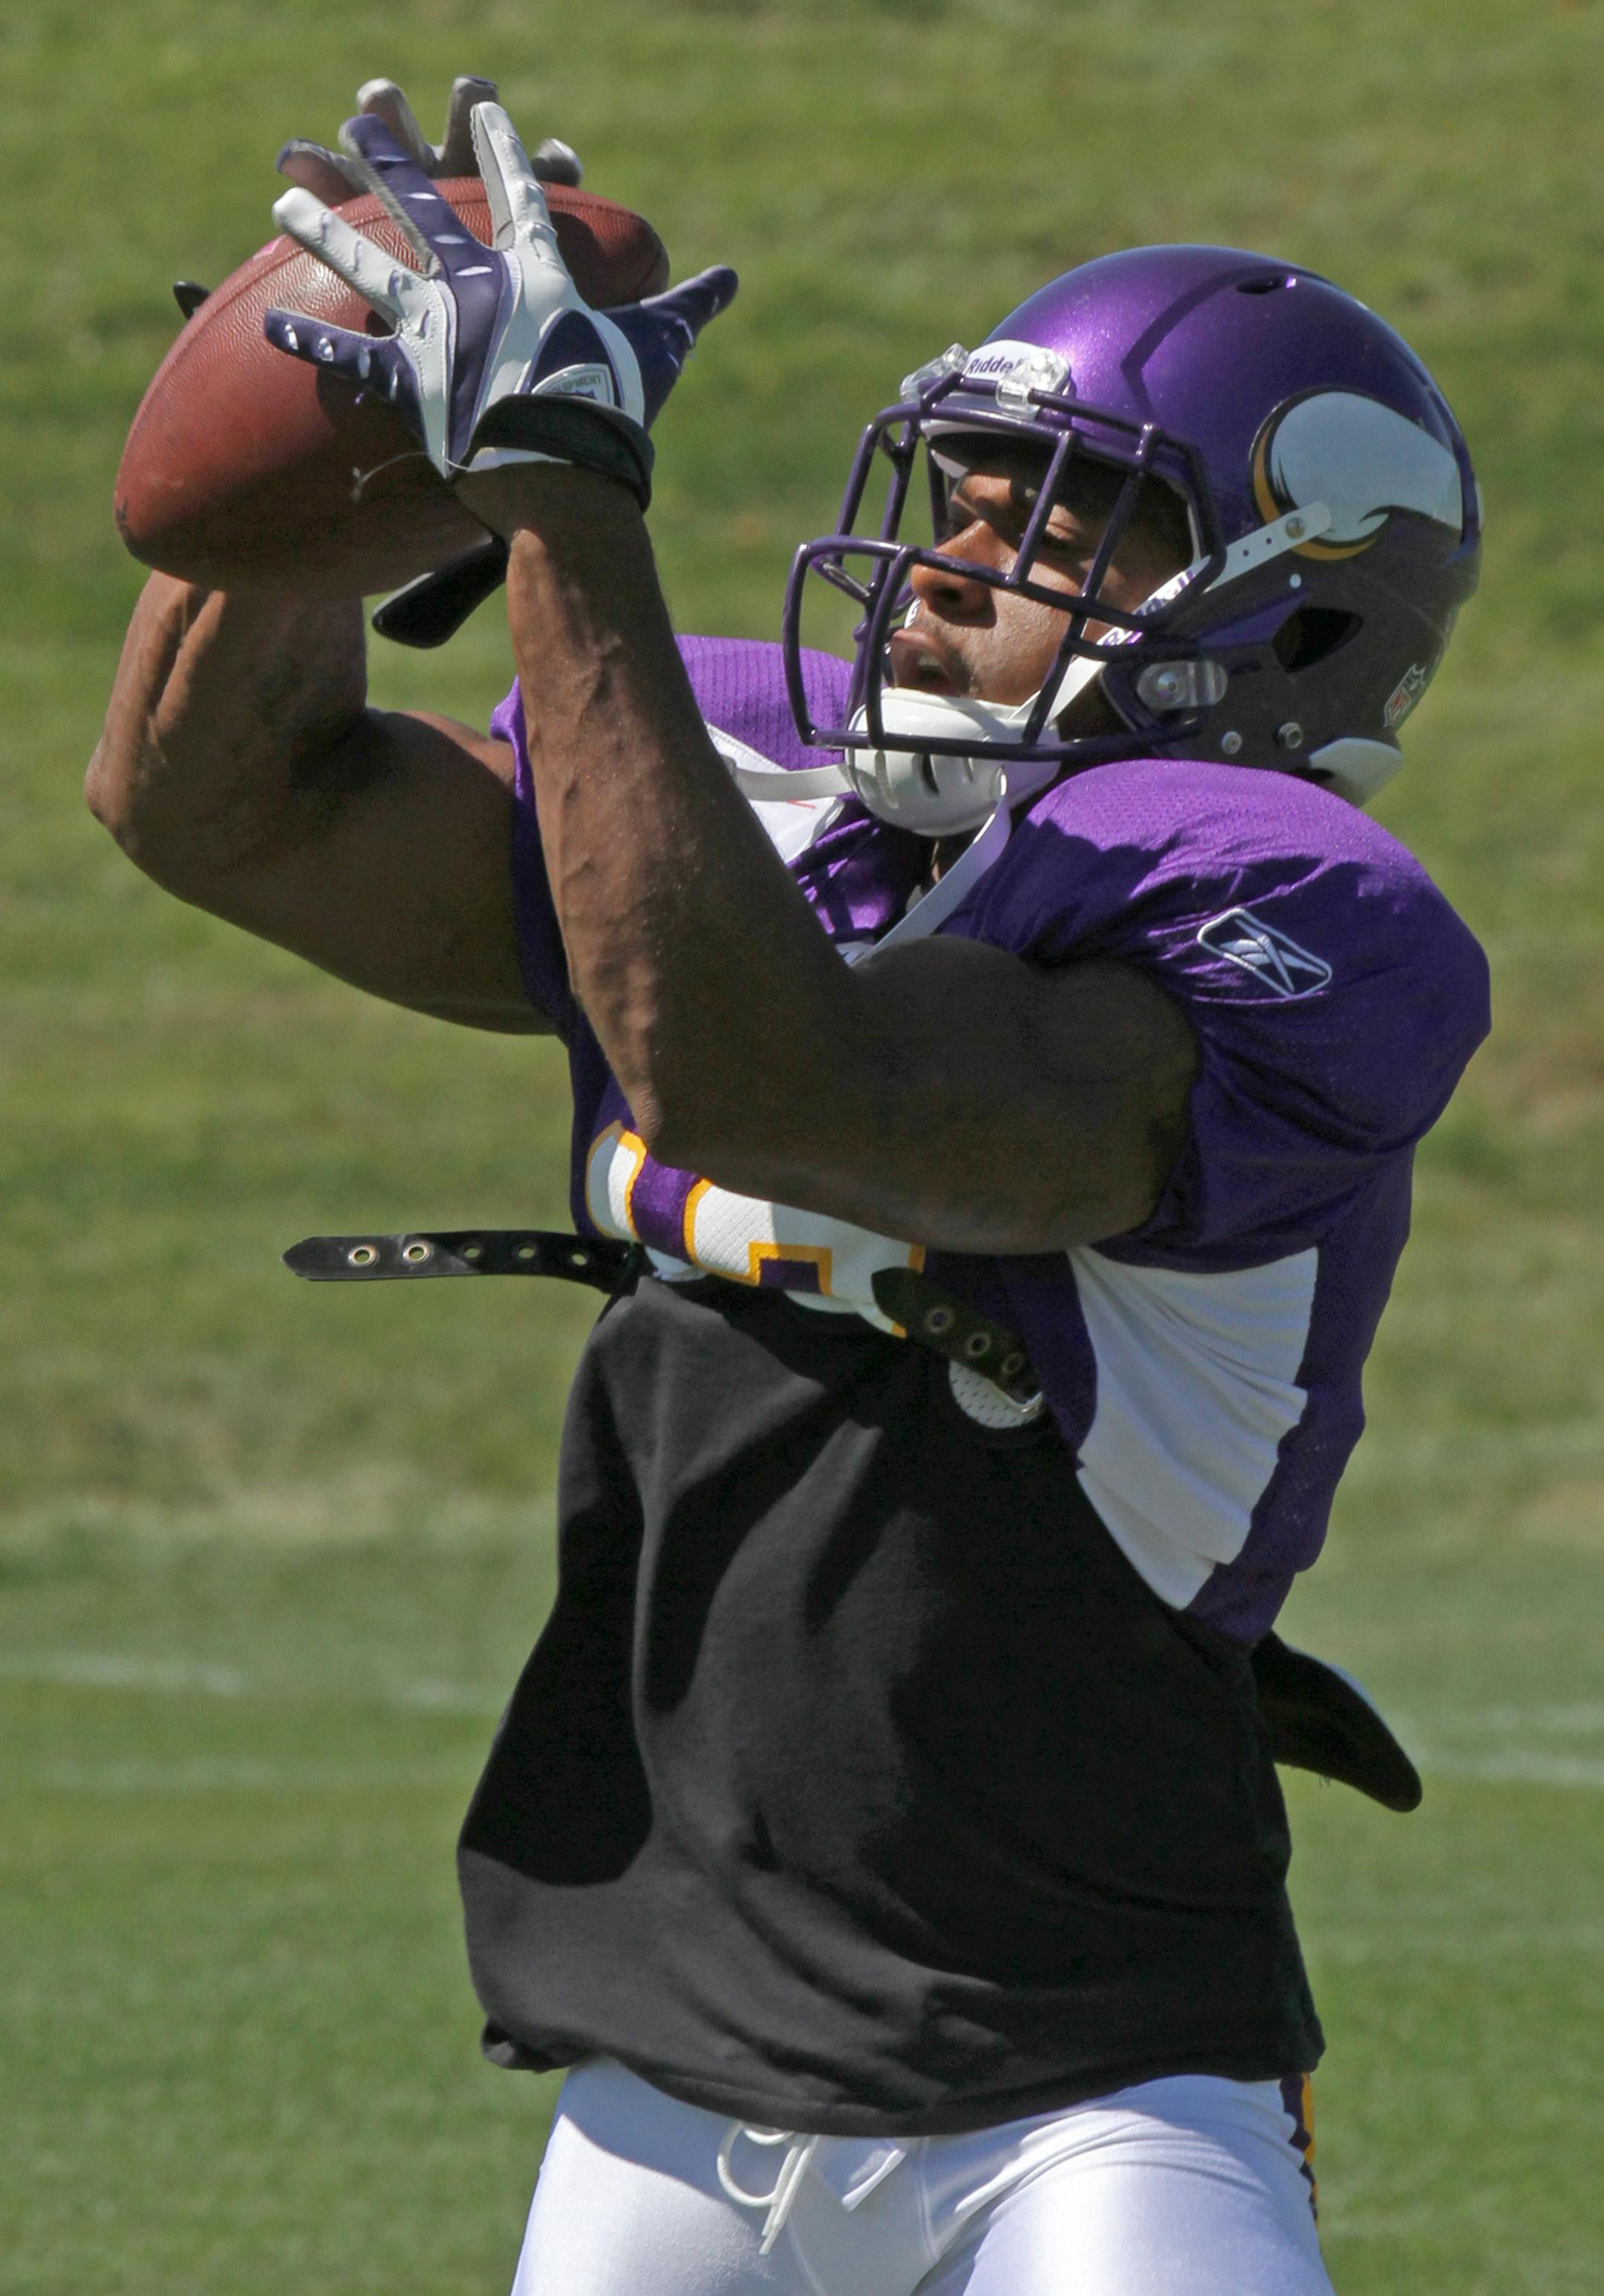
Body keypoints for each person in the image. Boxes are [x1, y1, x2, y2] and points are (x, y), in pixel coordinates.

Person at [89, 83, 1490, 2296]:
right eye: (966, 490)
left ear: (1291, 630)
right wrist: (353, 488)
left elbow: (766, 1077)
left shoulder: (1298, 913)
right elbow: (220, 805)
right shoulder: (780, 781)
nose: (951, 557)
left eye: (1073, 525)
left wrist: (558, 500)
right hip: (664, 2064)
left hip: (1087, 2090)